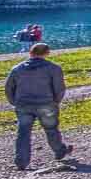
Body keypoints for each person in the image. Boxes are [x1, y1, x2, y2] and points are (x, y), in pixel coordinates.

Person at [7, 43, 74, 171]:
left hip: (23, 104)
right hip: (46, 103)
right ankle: (59, 150)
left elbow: (9, 88)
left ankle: (21, 161)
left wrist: (14, 102)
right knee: (51, 129)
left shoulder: (17, 69)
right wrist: (56, 101)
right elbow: (59, 88)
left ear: (30, 53)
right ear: (47, 53)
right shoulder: (54, 68)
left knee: (23, 132)